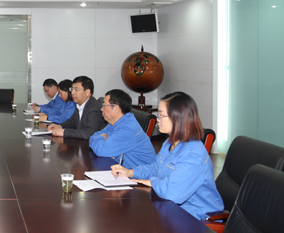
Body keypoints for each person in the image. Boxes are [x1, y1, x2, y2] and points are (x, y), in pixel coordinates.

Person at [111, 92, 223, 220]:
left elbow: (172, 192)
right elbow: (156, 168)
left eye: (161, 115)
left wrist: (152, 182)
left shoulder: (194, 154)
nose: (157, 119)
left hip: (198, 218)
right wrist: (129, 172)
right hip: (173, 208)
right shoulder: (170, 142)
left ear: (178, 118)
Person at [89, 89, 155, 168]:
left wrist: (103, 140)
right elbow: (92, 137)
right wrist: (103, 140)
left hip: (139, 174)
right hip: (122, 169)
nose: (101, 109)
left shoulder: (128, 128)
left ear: (116, 108)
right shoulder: (115, 122)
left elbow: (101, 150)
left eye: (104, 105)